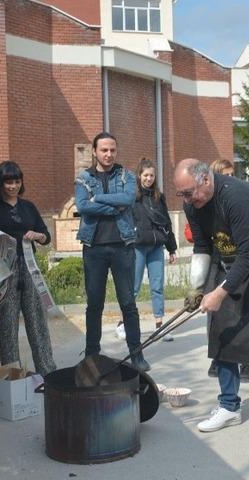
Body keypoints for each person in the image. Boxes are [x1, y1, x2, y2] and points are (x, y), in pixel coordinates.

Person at [175, 158, 249, 435]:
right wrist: (197, 287)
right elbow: (203, 245)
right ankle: (229, 406)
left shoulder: (236, 197)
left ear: (205, 179)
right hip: (228, 261)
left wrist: (219, 292)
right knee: (222, 328)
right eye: (182, 194)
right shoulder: (193, 204)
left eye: (189, 192)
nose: (187, 200)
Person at [0, 161, 57, 376]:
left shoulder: (28, 207)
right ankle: (12, 376)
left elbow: (46, 236)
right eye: (8, 182)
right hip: (2, 273)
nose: (12, 186)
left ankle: (47, 373)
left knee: (37, 321)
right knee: (8, 327)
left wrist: (37, 235)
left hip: (29, 268)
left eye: (16, 181)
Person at [75, 133, 149, 371]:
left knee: (128, 303)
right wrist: (112, 207)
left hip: (122, 246)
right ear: (94, 151)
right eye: (104, 150)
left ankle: (136, 354)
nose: (109, 154)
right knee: (94, 304)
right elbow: (83, 206)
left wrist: (98, 198)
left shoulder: (127, 176)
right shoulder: (83, 178)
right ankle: (91, 355)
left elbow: (128, 199)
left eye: (112, 150)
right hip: (94, 248)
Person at [204, 158, 249, 382]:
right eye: (227, 174)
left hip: (240, 264)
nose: (231, 178)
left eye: (233, 174)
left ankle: (246, 362)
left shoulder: (238, 200)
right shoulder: (209, 203)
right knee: (214, 311)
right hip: (218, 262)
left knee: (243, 313)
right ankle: (218, 355)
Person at [132, 158, 178, 342]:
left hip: (157, 246)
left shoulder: (159, 197)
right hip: (138, 246)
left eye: (151, 175)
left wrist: (172, 247)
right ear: (139, 175)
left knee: (157, 286)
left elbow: (166, 222)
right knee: (133, 287)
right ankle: (123, 323)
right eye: (145, 175)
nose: (149, 178)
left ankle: (159, 326)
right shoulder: (133, 196)